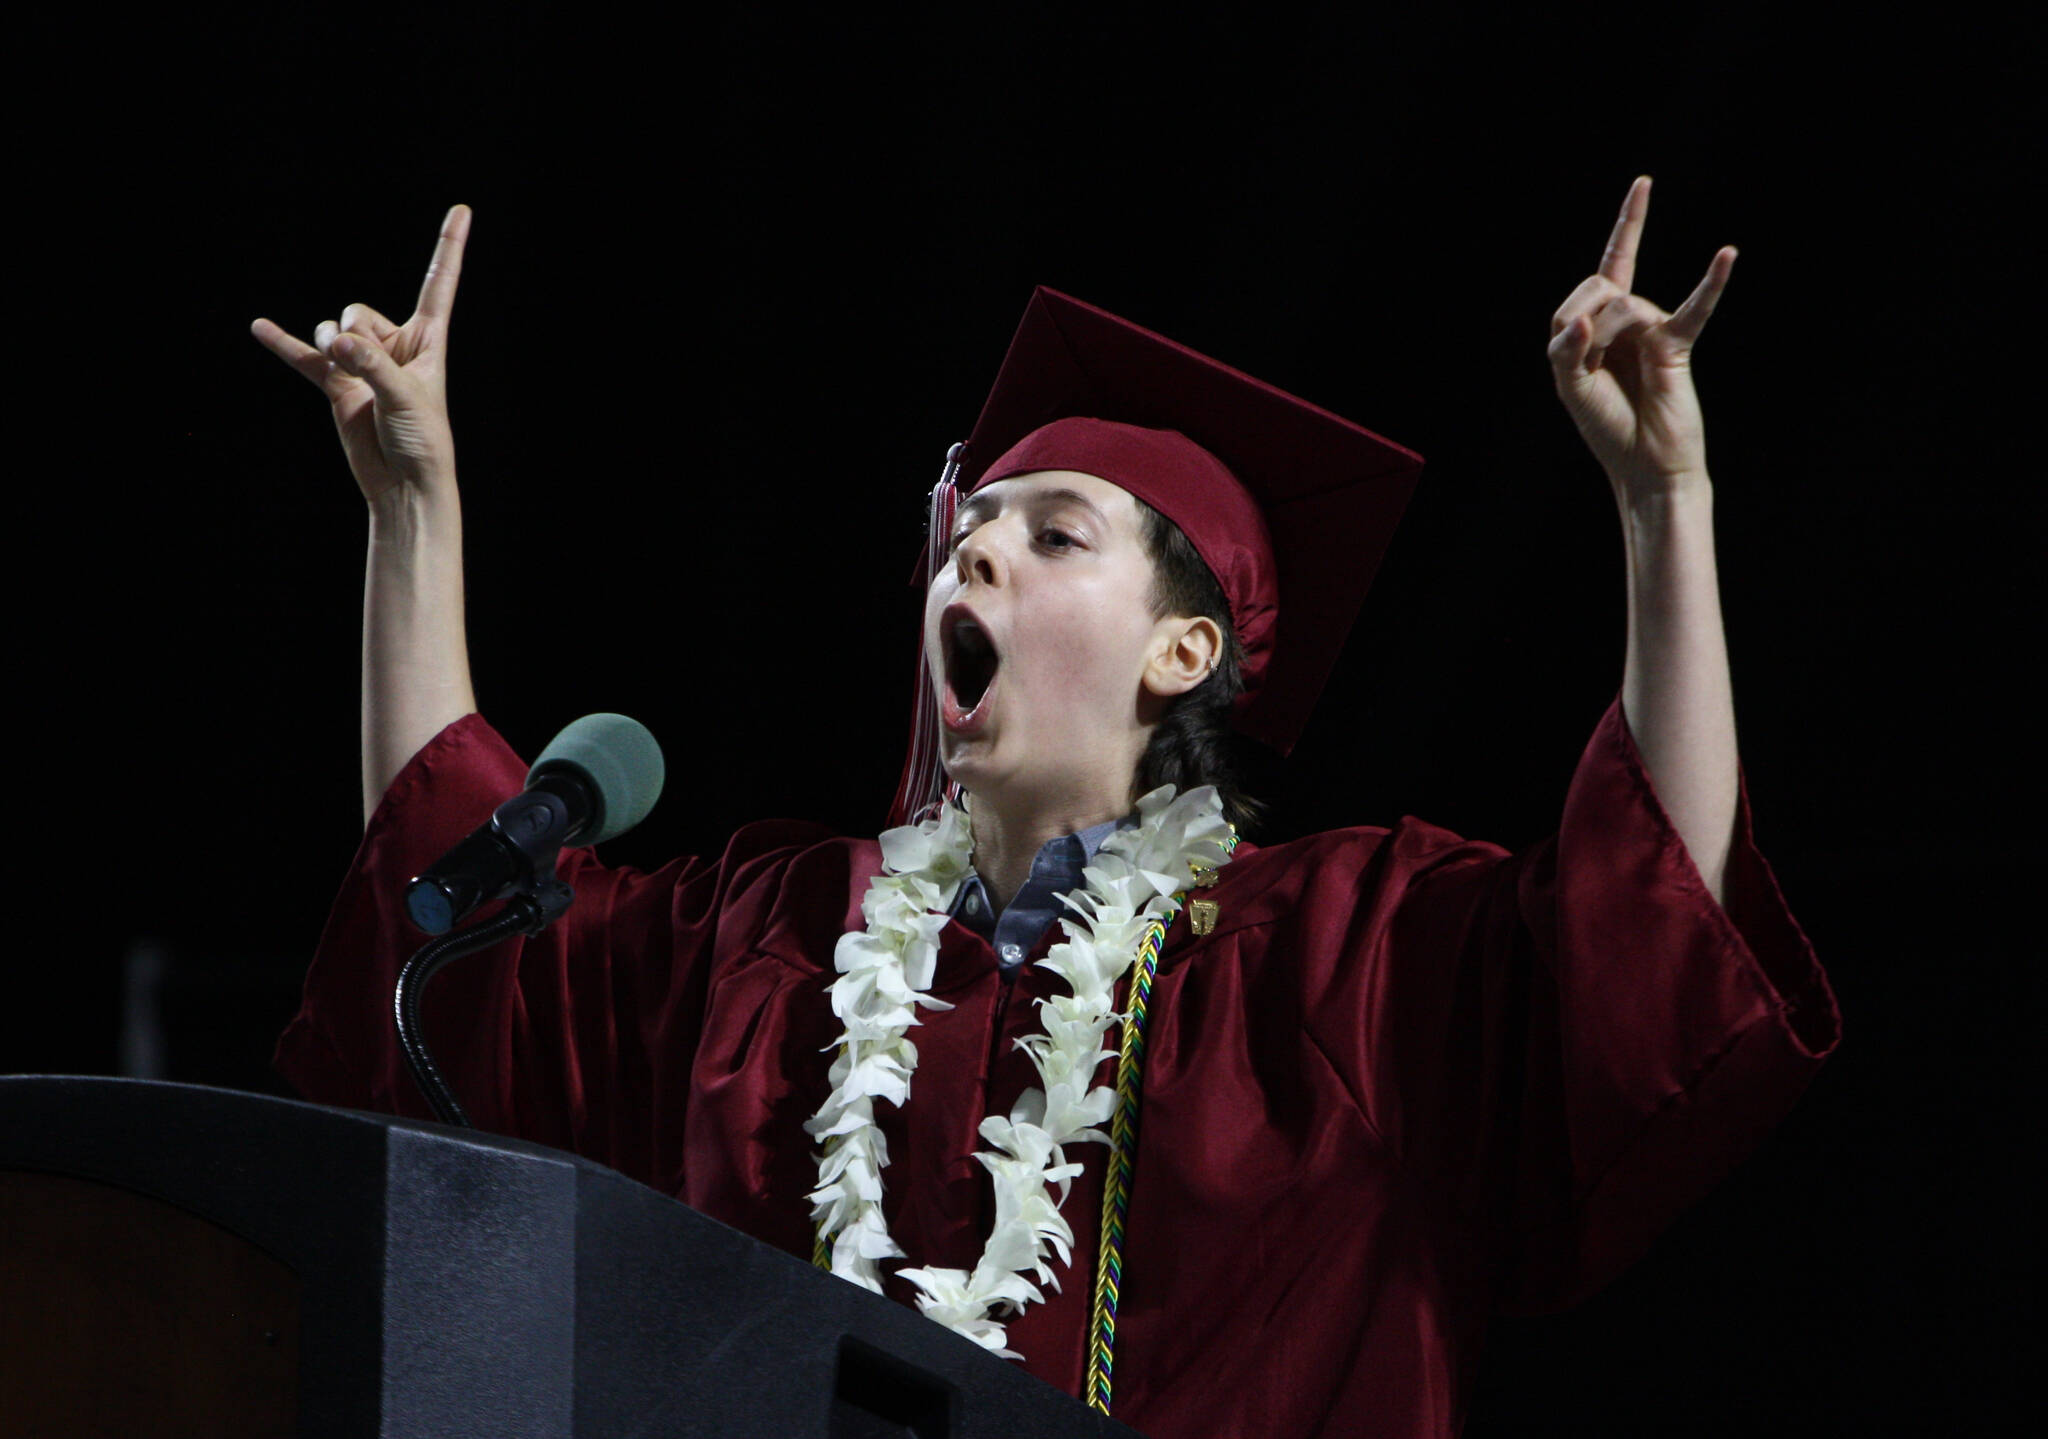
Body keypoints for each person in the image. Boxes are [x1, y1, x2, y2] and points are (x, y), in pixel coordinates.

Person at [253, 178, 1841, 1439]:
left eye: (1055, 536)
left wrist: (1665, 504)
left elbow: (1646, 940)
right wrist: (414, 508)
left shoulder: (1352, 955)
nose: (977, 558)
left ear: (1184, 649)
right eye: (971, 533)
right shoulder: (773, 937)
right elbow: (460, 959)